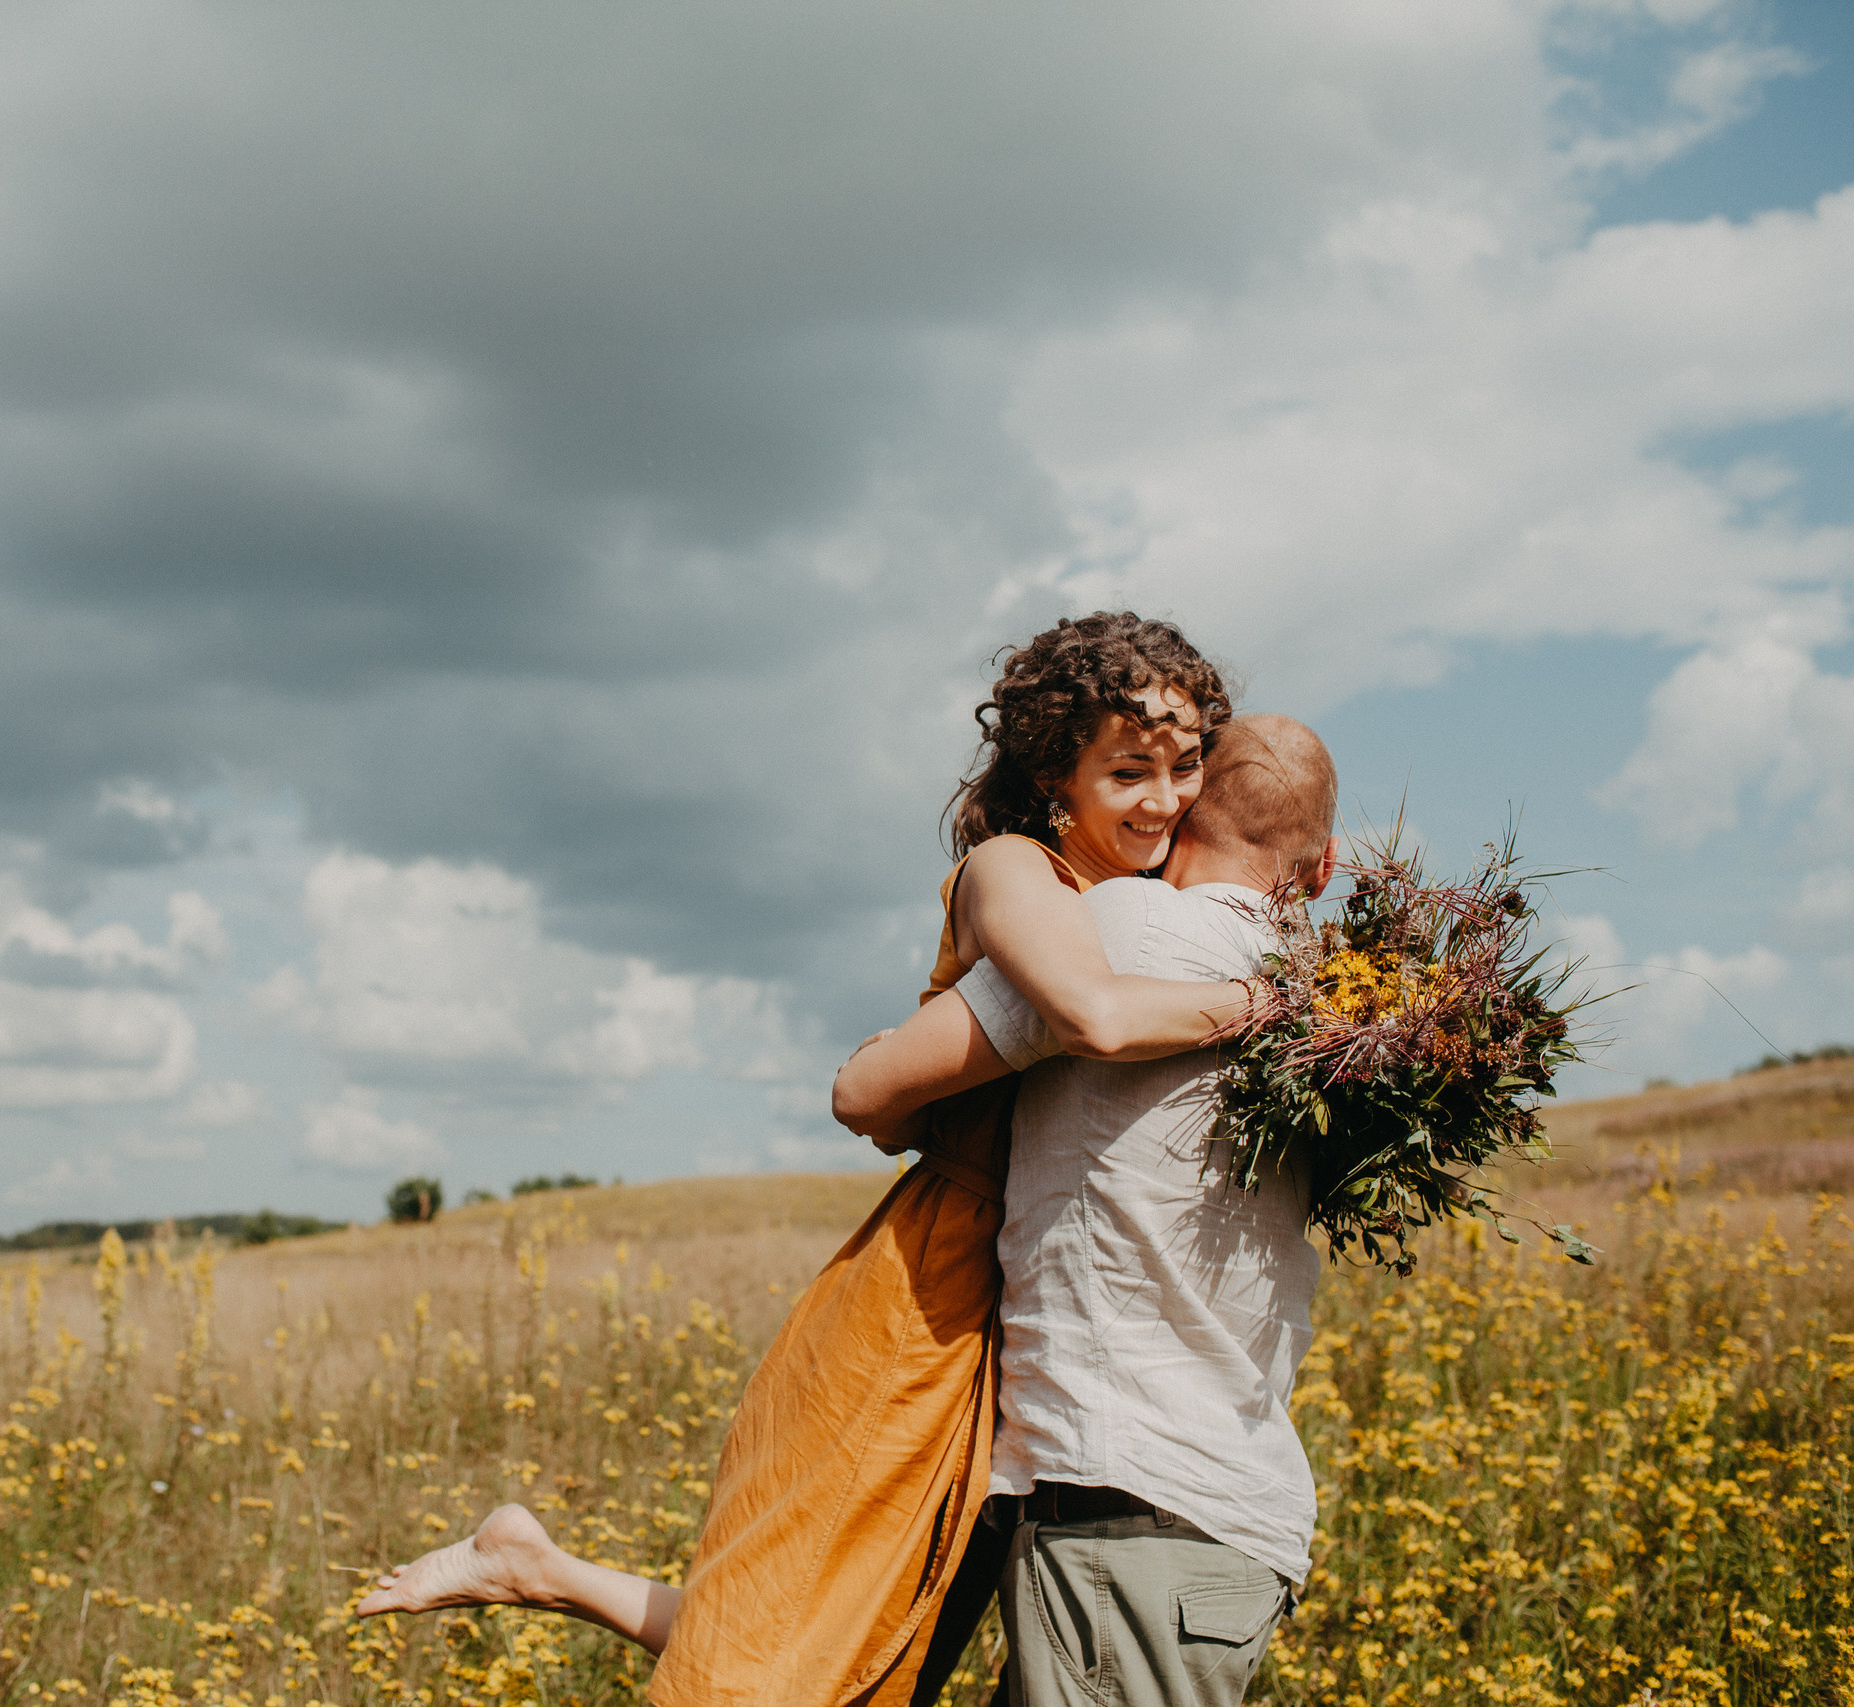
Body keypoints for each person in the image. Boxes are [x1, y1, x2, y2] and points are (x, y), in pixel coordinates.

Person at [359, 613, 1266, 1707]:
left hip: (1031, 1309)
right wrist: (1284, 1005)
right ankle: (532, 1566)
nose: (1163, 801)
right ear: (1052, 781)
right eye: (1127, 771)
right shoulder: (1014, 870)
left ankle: (536, 1567)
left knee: (879, 1637)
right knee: (812, 1644)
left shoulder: (1142, 913)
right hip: (931, 1294)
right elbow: (1075, 1024)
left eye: (1182, 769)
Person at [844, 712, 1341, 1707]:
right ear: (1322, 869)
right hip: (1223, 1521)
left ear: (1178, 811)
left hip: (1124, 1510)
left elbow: (869, 1090)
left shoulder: (1113, 932)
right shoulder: (1338, 1007)